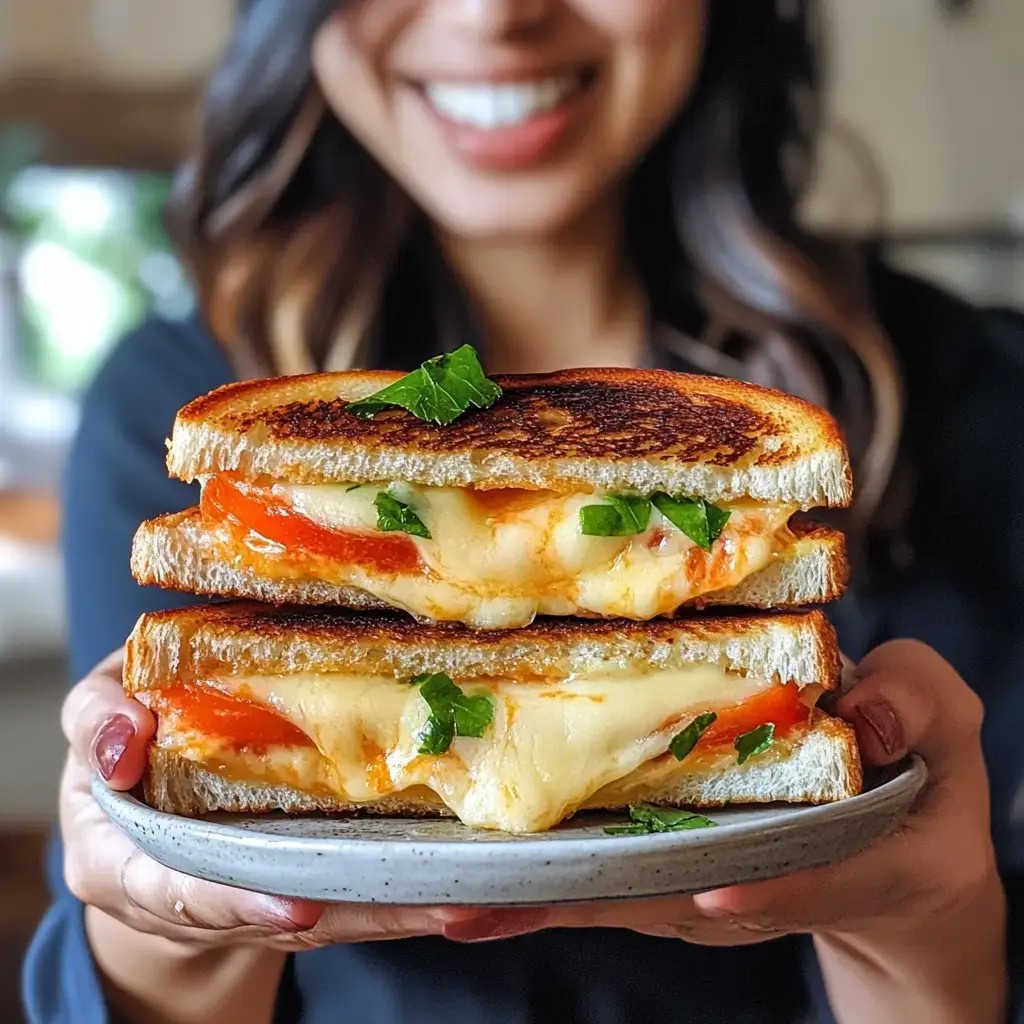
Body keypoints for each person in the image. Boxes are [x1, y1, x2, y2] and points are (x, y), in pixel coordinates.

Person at [22, 1, 1022, 1021]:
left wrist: (927, 937)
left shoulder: (978, 402)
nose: (495, 15)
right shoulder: (160, 399)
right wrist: (169, 939)